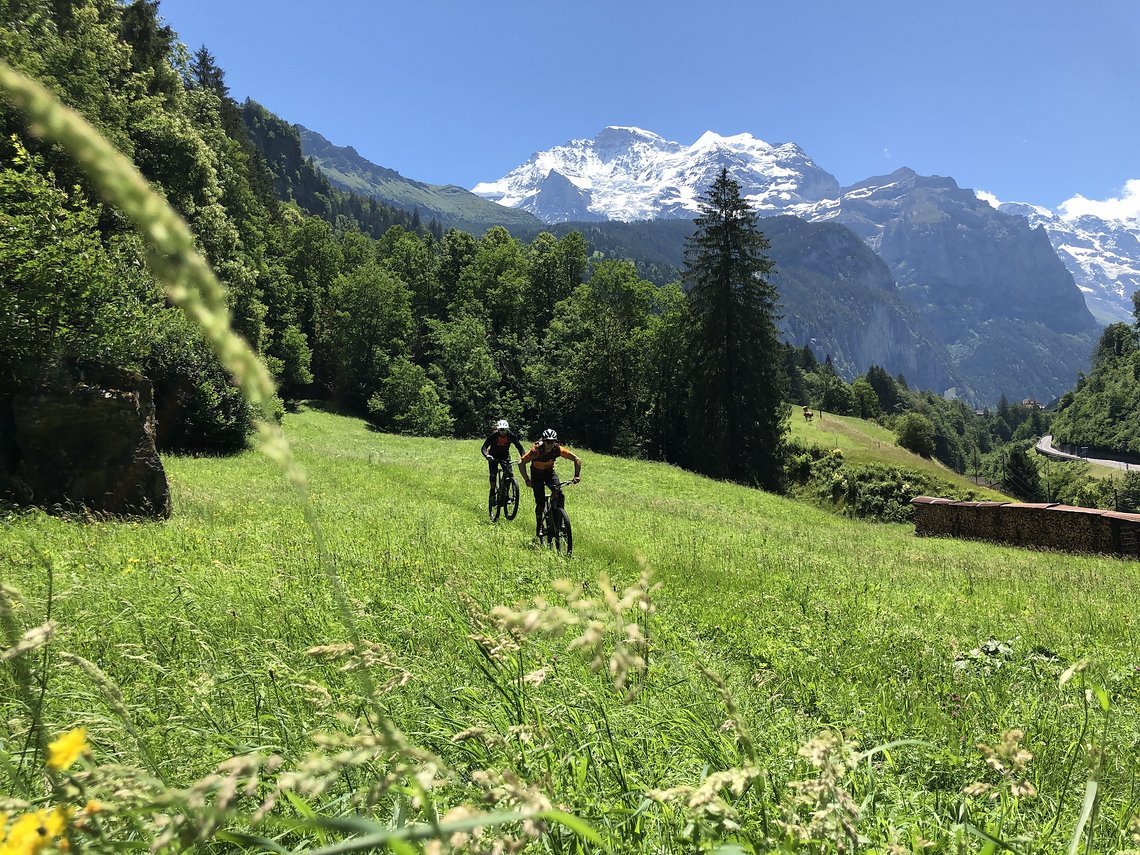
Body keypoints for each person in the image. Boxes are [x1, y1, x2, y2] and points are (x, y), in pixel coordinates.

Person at [518, 428, 581, 538]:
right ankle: (539, 526)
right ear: (543, 441)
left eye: (552, 442)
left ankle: (559, 520)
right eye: (548, 442)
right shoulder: (536, 451)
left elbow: (576, 459)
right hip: (537, 476)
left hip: (549, 474)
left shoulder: (558, 450)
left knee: (560, 494)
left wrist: (576, 475)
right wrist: (527, 480)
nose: (550, 444)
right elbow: (521, 462)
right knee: (541, 503)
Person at [481, 419, 524, 496]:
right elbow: (484, 447)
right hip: (493, 455)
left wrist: (523, 457)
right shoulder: (494, 435)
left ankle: (506, 491)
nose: (502, 432)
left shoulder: (511, 435)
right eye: (500, 430)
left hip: (505, 455)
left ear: (507, 429)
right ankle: (492, 491)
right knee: (493, 474)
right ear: (498, 429)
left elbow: (519, 447)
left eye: (504, 430)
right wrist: (487, 455)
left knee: (509, 473)